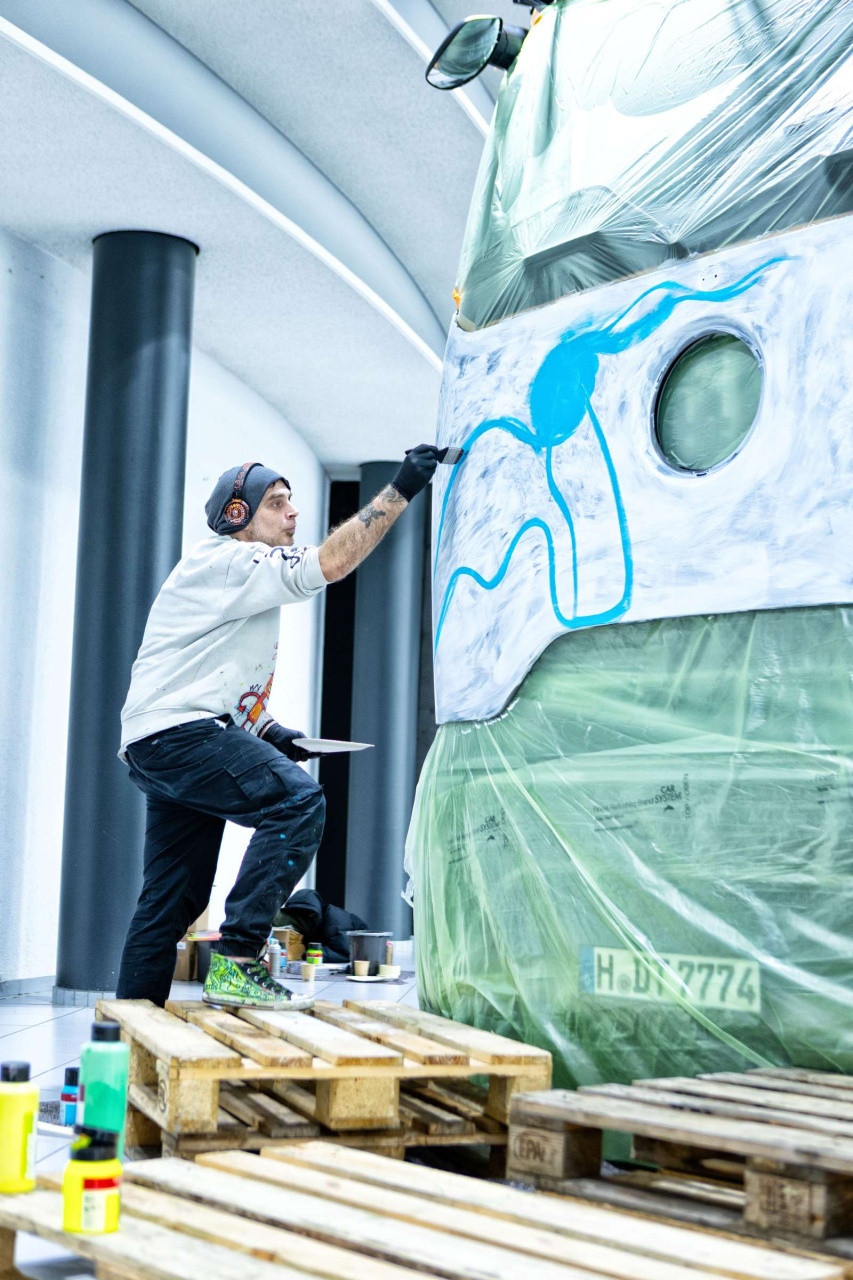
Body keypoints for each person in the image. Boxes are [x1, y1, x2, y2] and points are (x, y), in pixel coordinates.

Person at [115, 445, 440, 1010]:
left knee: (171, 898)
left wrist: (270, 731)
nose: (292, 513)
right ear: (237, 515)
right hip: (182, 734)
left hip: (159, 740)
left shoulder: (227, 580)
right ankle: (238, 962)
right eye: (276, 502)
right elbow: (331, 563)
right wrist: (402, 489)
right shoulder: (232, 561)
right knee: (298, 802)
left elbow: (217, 680)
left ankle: (123, 1032)